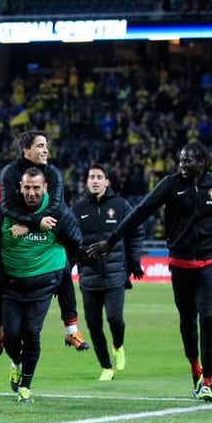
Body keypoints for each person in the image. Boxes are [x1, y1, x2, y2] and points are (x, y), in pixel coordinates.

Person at [88, 142, 212, 402]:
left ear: (202, 162)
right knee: (188, 322)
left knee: (207, 318)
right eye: (180, 160)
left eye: (187, 160)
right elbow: (141, 212)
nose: (182, 165)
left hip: (208, 266)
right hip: (180, 267)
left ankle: (209, 381)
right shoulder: (170, 185)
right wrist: (112, 241)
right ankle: (194, 366)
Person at [0, 167, 82, 403]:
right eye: (27, 187)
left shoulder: (57, 212)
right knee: (12, 336)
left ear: (45, 188)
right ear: (20, 188)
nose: (32, 192)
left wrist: (63, 270)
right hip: (12, 287)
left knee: (31, 332)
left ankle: (26, 385)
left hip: (42, 286)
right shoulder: (6, 211)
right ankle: (16, 363)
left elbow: (76, 240)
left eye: (36, 187)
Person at [0, 129, 88, 352]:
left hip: (56, 221)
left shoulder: (53, 173)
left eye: (46, 145)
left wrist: (31, 225)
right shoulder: (10, 172)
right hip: (19, 225)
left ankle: (71, 330)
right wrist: (35, 222)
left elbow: (56, 206)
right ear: (26, 150)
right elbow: (7, 206)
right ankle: (0, 330)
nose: (46, 149)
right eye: (40, 146)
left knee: (64, 269)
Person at [72, 163, 145, 381]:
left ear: (107, 182)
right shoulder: (78, 208)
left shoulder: (120, 205)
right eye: (91, 177)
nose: (94, 180)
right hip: (88, 276)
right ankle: (106, 367)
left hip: (115, 274)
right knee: (94, 325)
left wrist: (134, 261)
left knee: (115, 318)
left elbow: (136, 230)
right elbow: (70, 238)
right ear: (87, 182)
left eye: (99, 177)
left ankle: (118, 345)